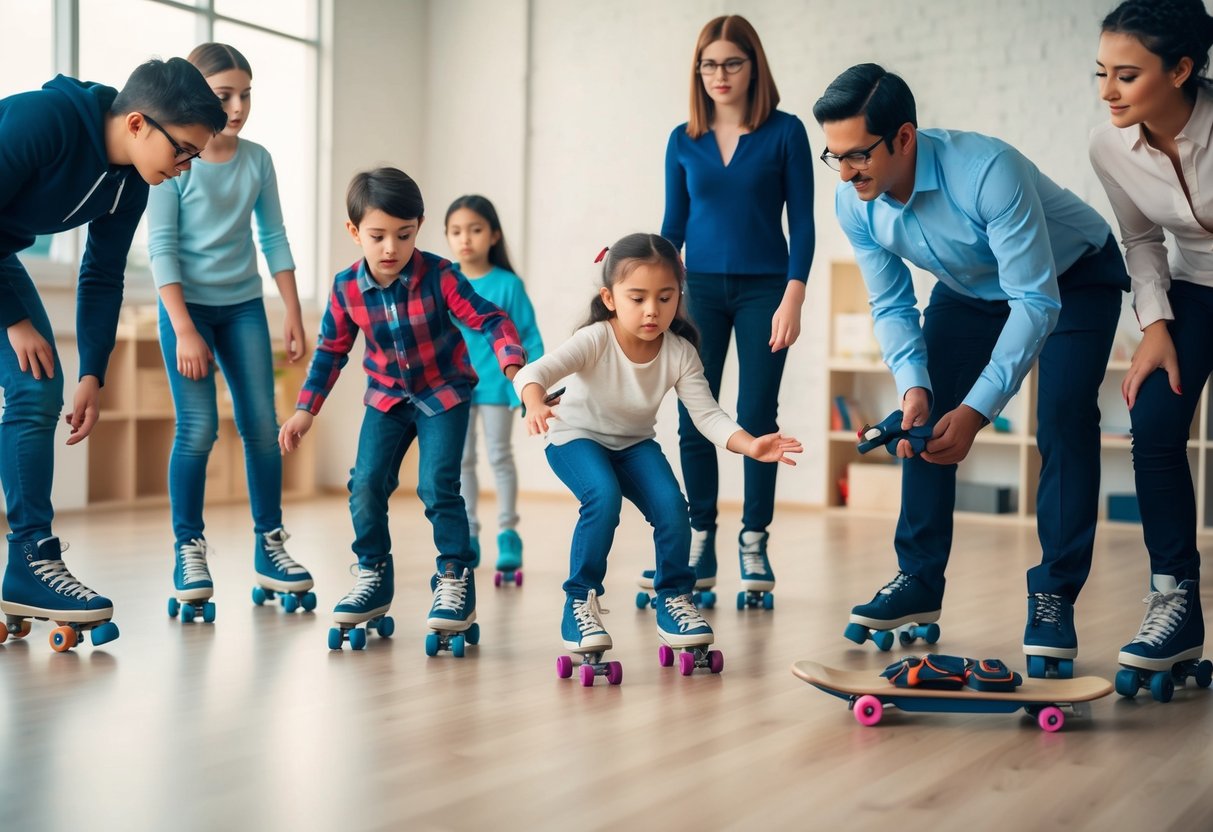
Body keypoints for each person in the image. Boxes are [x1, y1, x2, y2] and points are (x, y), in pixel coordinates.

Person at [813, 63, 1129, 675]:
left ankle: (1054, 595)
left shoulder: (986, 172)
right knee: (921, 420)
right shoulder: (856, 205)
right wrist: (915, 386)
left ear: (904, 137)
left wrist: (978, 409)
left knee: (1062, 414)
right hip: (970, 290)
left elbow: (1035, 300)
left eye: (858, 155)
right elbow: (891, 303)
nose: (847, 171)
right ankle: (918, 577)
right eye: (835, 156)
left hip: (1073, 278)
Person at [0, 58, 225, 649]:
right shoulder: (41, 120)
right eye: (182, 152)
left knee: (37, 384)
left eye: (194, 158)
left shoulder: (129, 183)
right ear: (136, 124)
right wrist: (15, 319)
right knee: (29, 372)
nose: (183, 169)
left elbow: (101, 275)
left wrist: (94, 372)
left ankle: (29, 560)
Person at [514, 232, 801, 668]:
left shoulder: (680, 352)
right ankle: (580, 603)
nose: (653, 310)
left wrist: (750, 445)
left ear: (678, 297)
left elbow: (708, 416)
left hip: (633, 444)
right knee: (603, 498)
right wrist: (535, 400)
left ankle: (674, 598)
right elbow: (534, 372)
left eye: (665, 298)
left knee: (672, 508)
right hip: (574, 437)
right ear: (610, 299)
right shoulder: (595, 339)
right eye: (638, 298)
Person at [279, 167, 525, 650]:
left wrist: (516, 370)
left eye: (404, 234)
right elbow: (331, 351)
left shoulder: (441, 276)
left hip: (445, 394)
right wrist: (306, 409)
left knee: (437, 486)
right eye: (377, 236)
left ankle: (455, 578)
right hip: (387, 398)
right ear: (354, 233)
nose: (391, 247)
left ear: (419, 227)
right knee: (366, 483)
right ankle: (372, 573)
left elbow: (491, 319)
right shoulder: (346, 288)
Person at [148, 43, 312, 623]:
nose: (238, 106)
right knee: (196, 431)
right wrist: (184, 328)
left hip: (243, 305)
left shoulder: (257, 160)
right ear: (197, 93)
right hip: (185, 308)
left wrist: (292, 312)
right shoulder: (173, 158)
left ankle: (271, 545)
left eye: (246, 94)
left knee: (262, 427)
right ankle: (187, 549)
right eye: (224, 96)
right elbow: (161, 248)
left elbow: (274, 238)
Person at [663, 14, 814, 605]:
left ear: (754, 66)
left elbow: (801, 224)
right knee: (695, 415)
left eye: (731, 63)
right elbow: (673, 225)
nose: (719, 75)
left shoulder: (786, 133)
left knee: (755, 415)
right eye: (708, 64)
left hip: (764, 290)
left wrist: (793, 296)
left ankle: (754, 537)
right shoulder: (684, 138)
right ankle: (702, 534)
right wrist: (644, 279)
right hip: (696, 292)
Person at [1090, 0, 1213, 684]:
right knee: (1154, 419)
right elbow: (1140, 239)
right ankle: (1174, 605)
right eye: (1100, 72)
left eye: (1126, 75)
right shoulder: (1108, 143)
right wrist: (1155, 325)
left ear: (1181, 69)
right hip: (1191, 289)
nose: (1107, 91)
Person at [444, 195, 543, 577]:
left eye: (475, 229)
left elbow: (528, 336)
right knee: (462, 461)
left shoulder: (508, 284)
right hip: (453, 388)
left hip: (498, 389)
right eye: (455, 232)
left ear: (494, 235)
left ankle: (508, 534)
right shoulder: (445, 278)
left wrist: (528, 383)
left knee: (500, 457)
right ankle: (468, 533)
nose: (465, 239)